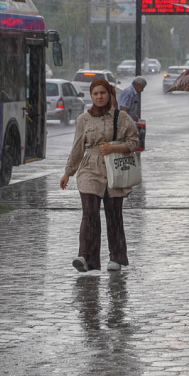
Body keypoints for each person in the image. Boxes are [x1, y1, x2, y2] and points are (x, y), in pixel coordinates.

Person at [61, 79, 139, 273]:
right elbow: (78, 147)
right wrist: (68, 172)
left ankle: (117, 257)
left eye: (102, 93)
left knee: (114, 215)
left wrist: (115, 147)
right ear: (91, 96)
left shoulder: (121, 117)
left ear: (109, 94)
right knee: (89, 214)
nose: (99, 97)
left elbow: (134, 141)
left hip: (115, 170)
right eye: (95, 93)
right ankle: (86, 258)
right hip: (90, 169)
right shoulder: (83, 119)